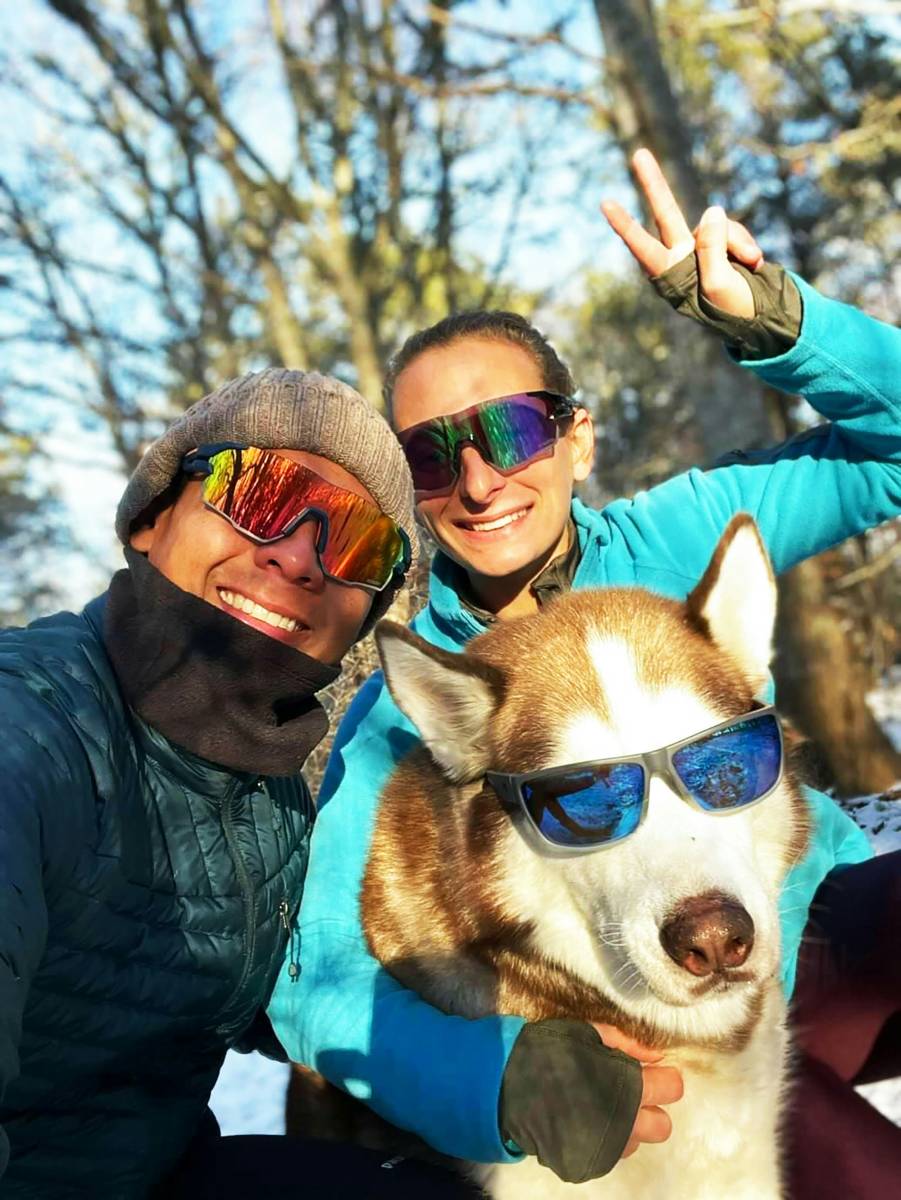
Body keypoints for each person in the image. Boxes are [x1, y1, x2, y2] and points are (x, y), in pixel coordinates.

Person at [268, 151, 901, 1189]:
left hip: (804, 929)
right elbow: (316, 977)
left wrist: (771, 321)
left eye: (512, 429)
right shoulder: (413, 705)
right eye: (431, 456)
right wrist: (502, 1080)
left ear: (578, 439)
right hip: (628, 1022)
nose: (479, 481)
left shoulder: (677, 540)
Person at [0, 368, 483, 1199]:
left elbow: (302, 988)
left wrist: (505, 1072)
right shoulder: (34, 725)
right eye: (256, 493)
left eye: (357, 545)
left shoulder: (272, 790)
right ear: (151, 519)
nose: (297, 555)